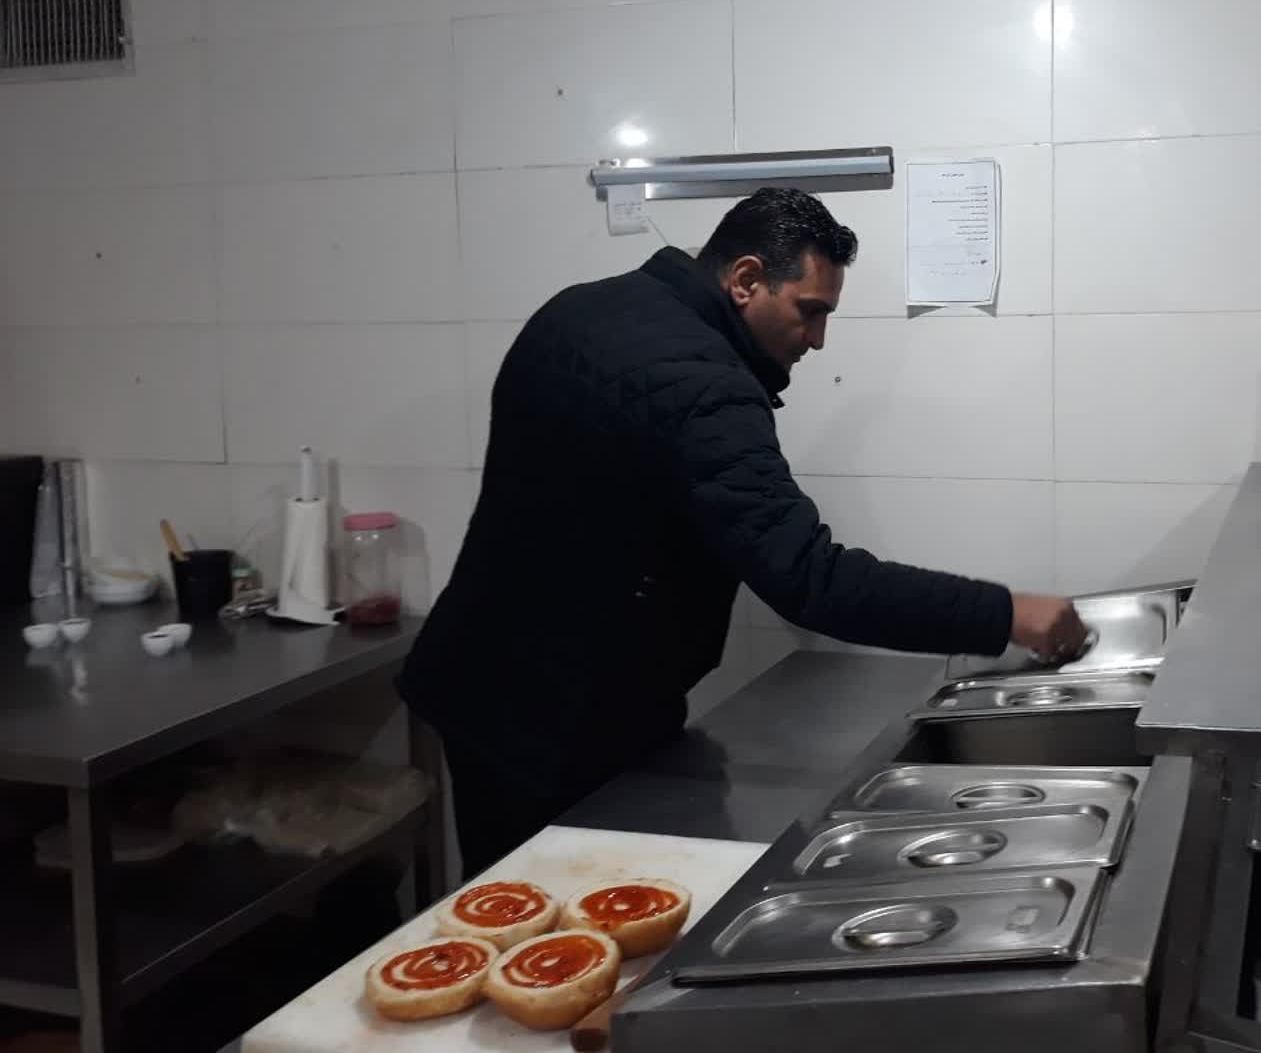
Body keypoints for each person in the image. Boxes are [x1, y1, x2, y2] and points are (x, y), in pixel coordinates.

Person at [399, 187, 1087, 875]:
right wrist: (1007, 613)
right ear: (746, 280)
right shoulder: (701, 381)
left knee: (505, 900)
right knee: (559, 917)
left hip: (488, 684)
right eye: (810, 311)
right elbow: (810, 579)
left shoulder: (581, 308)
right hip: (556, 722)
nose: (817, 339)